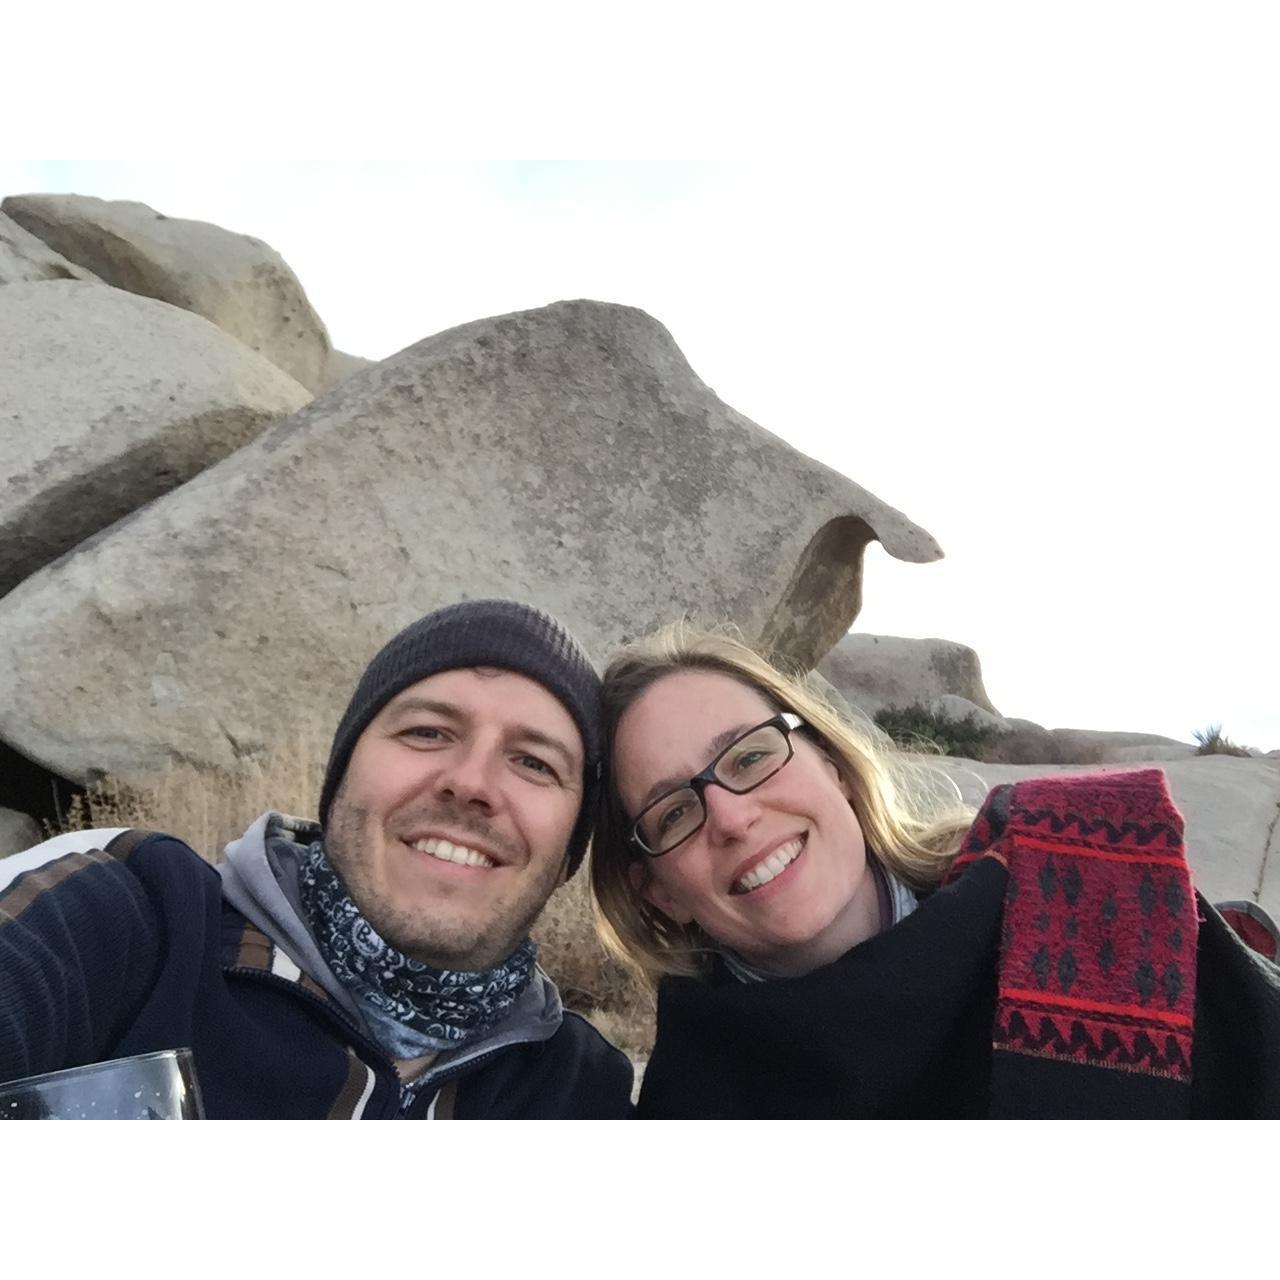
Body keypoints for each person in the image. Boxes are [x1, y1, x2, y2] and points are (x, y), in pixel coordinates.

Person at [590, 624, 1280, 1119]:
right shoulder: (689, 1108)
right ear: (656, 891)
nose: (732, 819)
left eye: (748, 757)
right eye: (674, 813)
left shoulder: (1087, 882)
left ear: (833, 767)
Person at [0, 599, 632, 1118]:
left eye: (534, 762)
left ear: (571, 851)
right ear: (338, 785)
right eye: (427, 731)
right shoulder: (124, 919)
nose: (471, 783)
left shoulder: (578, 1093)